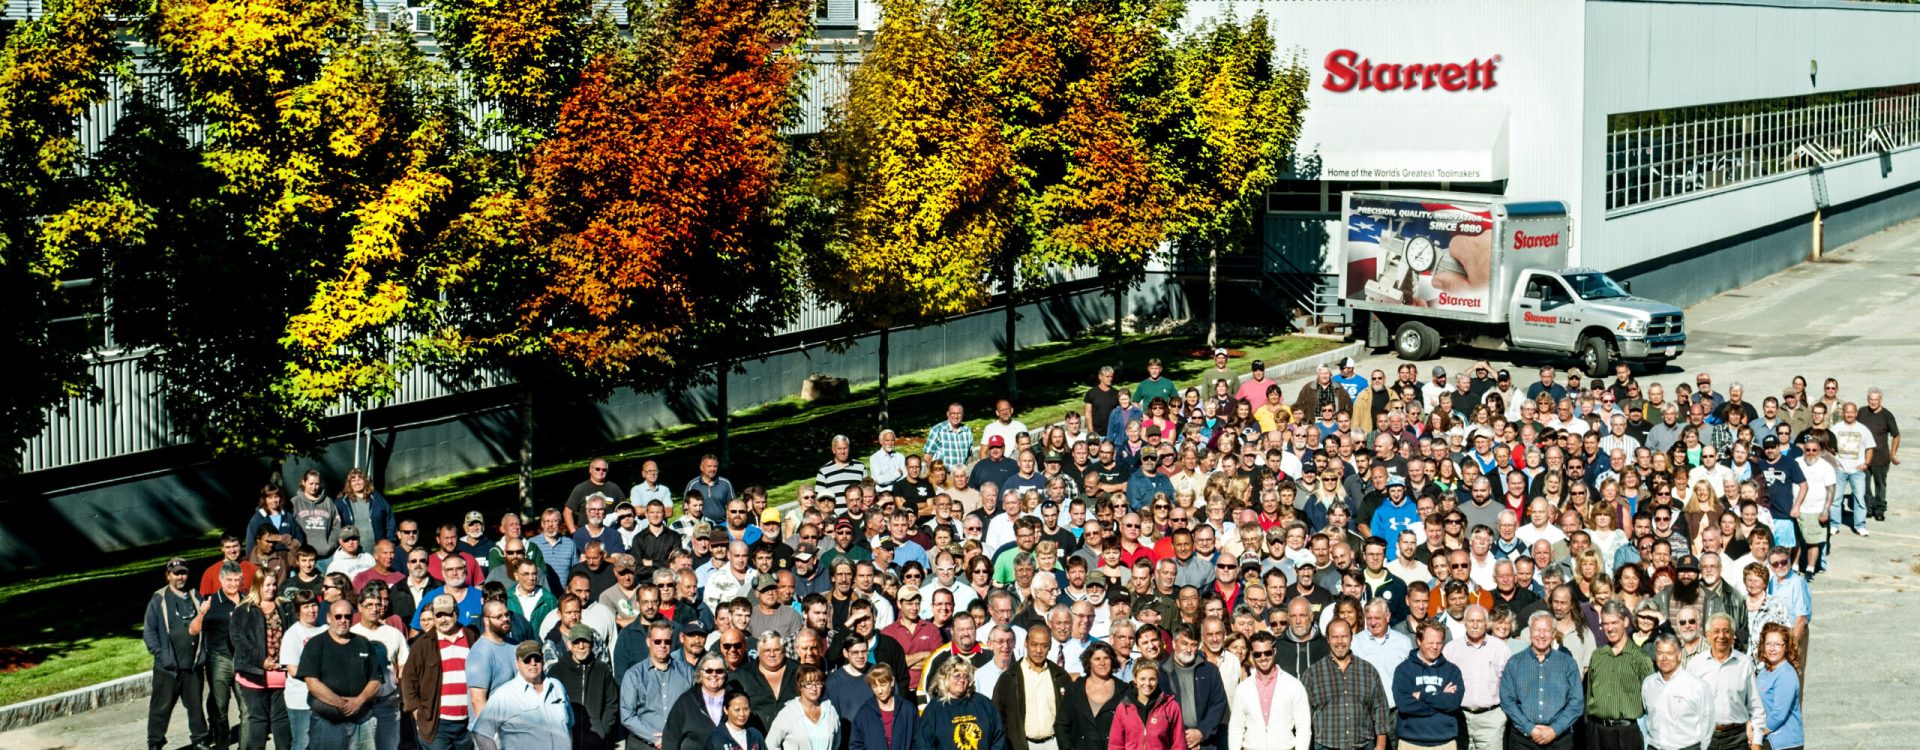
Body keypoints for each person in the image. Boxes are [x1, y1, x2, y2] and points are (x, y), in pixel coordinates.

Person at [146, 557, 213, 750]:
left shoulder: (195, 596)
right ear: (168, 575)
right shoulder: (158, 599)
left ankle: (200, 740)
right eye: (176, 574)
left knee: (195, 707)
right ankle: (155, 743)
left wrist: (202, 655)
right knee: (161, 708)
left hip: (192, 666)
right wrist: (160, 654)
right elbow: (149, 631)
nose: (180, 577)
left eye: (183, 573)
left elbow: (205, 626)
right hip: (167, 668)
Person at [300, 600, 384, 749]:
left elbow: (376, 680)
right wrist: (343, 705)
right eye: (338, 616)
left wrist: (359, 701)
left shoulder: (363, 643)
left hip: (362, 721)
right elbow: (313, 684)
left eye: (347, 616)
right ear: (328, 618)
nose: (343, 621)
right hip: (327, 722)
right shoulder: (316, 644)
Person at [401, 595, 480, 750]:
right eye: (438, 615)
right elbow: (409, 680)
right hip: (437, 724)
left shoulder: (471, 637)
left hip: (468, 722)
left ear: (456, 613)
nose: (443, 619)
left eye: (447, 614)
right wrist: (418, 714)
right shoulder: (422, 645)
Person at [1498, 612, 1582, 750]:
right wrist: (1530, 728)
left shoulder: (1568, 663)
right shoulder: (1514, 663)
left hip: (1559, 740)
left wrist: (1555, 729)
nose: (1541, 635)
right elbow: (1507, 700)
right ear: (1530, 633)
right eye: (1537, 630)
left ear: (1554, 633)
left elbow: (1576, 701)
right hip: (1523, 741)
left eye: (1547, 630)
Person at [1303, 618, 1389, 750]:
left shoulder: (1368, 671)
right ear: (1327, 639)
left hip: (1364, 745)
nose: (1339, 642)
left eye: (1344, 636)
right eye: (1335, 637)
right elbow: (1303, 716)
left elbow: (1380, 709)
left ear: (1351, 638)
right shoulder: (1313, 674)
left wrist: (1381, 745)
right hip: (1326, 746)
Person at [471, 640, 572, 750]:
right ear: (517, 663)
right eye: (527, 659)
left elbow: (569, 725)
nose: (533, 663)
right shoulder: (505, 694)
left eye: (537, 659)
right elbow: (481, 732)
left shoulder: (557, 687)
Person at [1686, 614, 1765, 750]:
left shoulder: (1744, 663)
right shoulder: (1695, 665)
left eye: (1726, 631)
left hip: (1737, 739)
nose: (1721, 636)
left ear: (1733, 635)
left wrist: (1757, 741)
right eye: (1716, 631)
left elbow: (1756, 707)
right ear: (1708, 635)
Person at [232, 571, 292, 750]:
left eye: (274, 584)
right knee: (258, 720)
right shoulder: (244, 609)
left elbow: (291, 633)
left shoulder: (285, 606)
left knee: (281, 720)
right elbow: (239, 639)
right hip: (254, 675)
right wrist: (261, 660)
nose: (271, 589)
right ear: (258, 585)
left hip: (280, 673)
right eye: (267, 585)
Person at [1224, 631, 1311, 750]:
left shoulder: (1293, 685)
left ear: (1274, 651)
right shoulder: (1243, 688)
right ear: (1252, 654)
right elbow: (1236, 727)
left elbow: (1303, 727)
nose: (1263, 658)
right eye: (1258, 654)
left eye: (1267, 653)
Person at [1584, 601, 1653, 750]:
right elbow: (1589, 694)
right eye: (1605, 623)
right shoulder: (1597, 656)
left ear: (1626, 622)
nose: (1609, 628)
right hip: (1596, 732)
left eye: (1614, 622)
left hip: (1627, 734)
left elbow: (1652, 701)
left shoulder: (1641, 658)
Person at [991, 624, 1070, 750]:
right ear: (1026, 643)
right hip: (1022, 745)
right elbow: (998, 716)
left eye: (1044, 645)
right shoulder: (1009, 678)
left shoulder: (1060, 676)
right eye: (1034, 644)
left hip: (1055, 744)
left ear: (1049, 647)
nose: (1038, 650)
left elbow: (1070, 714)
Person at [1443, 605, 1509, 750]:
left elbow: (1509, 685)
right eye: (1471, 620)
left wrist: (1501, 716)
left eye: (1479, 621)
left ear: (1487, 623)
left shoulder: (1500, 649)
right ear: (1464, 623)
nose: (1474, 625)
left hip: (1490, 719)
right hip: (1460, 717)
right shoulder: (1451, 649)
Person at [621, 620, 693, 750]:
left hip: (679, 744)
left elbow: (695, 709)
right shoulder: (634, 675)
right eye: (657, 641)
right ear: (648, 642)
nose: (663, 645)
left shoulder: (687, 672)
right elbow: (627, 715)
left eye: (667, 641)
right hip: (643, 745)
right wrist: (655, 738)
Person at [1392, 621, 1462, 750]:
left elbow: (1453, 703)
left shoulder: (1452, 671)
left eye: (1439, 643)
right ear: (1418, 641)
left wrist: (1422, 696)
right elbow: (1404, 705)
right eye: (1430, 642)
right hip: (1411, 743)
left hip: (1445, 743)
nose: (1435, 647)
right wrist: (1441, 698)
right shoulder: (1403, 670)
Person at [551, 624, 620, 750]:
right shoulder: (556, 671)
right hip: (566, 741)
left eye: (585, 642)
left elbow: (612, 703)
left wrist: (603, 730)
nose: (581, 647)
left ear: (592, 644)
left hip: (597, 741)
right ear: (569, 645)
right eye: (577, 642)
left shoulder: (603, 669)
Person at [916, 657, 1008, 750]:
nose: (962, 680)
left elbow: (999, 737)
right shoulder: (934, 708)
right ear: (945, 678)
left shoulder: (983, 703)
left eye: (966, 676)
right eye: (957, 676)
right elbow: (923, 743)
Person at [1640, 636, 1712, 750]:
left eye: (1669, 653)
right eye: (1660, 653)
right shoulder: (1648, 684)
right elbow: (1645, 718)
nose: (1664, 658)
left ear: (1679, 655)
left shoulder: (1697, 686)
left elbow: (1708, 724)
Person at [1164, 624, 1229, 750]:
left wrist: (1201, 732)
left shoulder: (1210, 671)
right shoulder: (1162, 672)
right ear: (1173, 643)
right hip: (1171, 742)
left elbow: (1218, 704)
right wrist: (1180, 737)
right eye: (1184, 643)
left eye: (1193, 645)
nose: (1189, 649)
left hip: (1205, 743)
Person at [1060, 642, 1128, 750]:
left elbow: (1131, 727)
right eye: (1097, 659)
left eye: (1106, 658)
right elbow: (1061, 724)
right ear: (1089, 662)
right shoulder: (1074, 689)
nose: (1102, 663)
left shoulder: (1124, 690)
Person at [1109, 659, 1183, 750]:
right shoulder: (1123, 707)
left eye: (1152, 679)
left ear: (1157, 680)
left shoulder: (1170, 706)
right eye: (1142, 679)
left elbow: (1179, 744)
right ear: (1135, 680)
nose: (1147, 683)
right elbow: (1115, 745)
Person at [663, 654, 734, 750]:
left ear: (725, 673)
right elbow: (671, 738)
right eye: (708, 671)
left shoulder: (736, 699)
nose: (714, 675)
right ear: (700, 673)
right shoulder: (686, 701)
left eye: (719, 671)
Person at [766, 664, 838, 750]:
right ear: (800, 686)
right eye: (809, 683)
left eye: (818, 683)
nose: (814, 688)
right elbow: (770, 744)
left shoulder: (830, 710)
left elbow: (836, 741)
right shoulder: (788, 713)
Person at [1755, 623, 1803, 750]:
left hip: (1784, 742)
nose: (1772, 648)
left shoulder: (1786, 674)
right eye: (1768, 644)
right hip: (1767, 736)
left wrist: (1755, 735)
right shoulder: (1764, 671)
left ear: (1786, 647)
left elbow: (1778, 715)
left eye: (1777, 644)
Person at [848, 663, 913, 750]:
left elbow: (917, 741)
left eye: (883, 685)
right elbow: (856, 745)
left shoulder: (907, 710)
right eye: (875, 686)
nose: (879, 691)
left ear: (892, 681)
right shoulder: (864, 713)